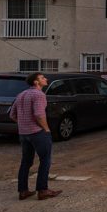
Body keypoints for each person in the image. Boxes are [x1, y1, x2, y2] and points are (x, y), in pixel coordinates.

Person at [9, 72, 62, 201]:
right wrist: (46, 129)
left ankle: (23, 191)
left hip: (23, 133)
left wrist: (24, 123)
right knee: (45, 160)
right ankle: (43, 190)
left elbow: (12, 115)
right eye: (42, 78)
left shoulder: (21, 95)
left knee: (26, 161)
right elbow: (39, 114)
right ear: (36, 82)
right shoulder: (39, 95)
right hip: (37, 133)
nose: (46, 79)